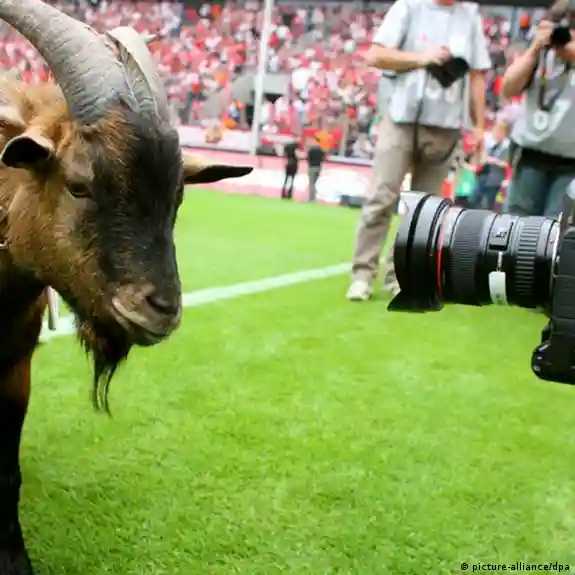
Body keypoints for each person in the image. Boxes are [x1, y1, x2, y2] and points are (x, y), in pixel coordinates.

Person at [346, 0, 491, 302]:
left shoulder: (470, 16)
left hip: (446, 125)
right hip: (400, 118)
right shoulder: (409, 7)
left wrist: (479, 126)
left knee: (424, 212)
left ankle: (401, 277)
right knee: (381, 197)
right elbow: (376, 55)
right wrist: (423, 58)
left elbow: (477, 74)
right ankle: (362, 275)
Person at [502, 16, 575, 218]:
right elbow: (508, 88)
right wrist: (534, 49)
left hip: (571, 164)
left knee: (556, 229)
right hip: (531, 155)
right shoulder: (541, 54)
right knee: (516, 224)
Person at [468, 120, 510, 211]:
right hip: (484, 176)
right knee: (473, 199)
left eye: (499, 131)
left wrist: (495, 161)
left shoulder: (507, 147)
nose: (496, 133)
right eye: (495, 130)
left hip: (495, 180)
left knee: (490, 203)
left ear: (504, 133)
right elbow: (480, 157)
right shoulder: (489, 142)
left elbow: (508, 164)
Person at [307, 137, 325, 202]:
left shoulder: (311, 150)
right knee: (314, 183)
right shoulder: (321, 150)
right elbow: (322, 159)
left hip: (312, 167)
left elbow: (308, 158)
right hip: (318, 167)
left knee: (311, 183)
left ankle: (311, 198)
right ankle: (314, 197)